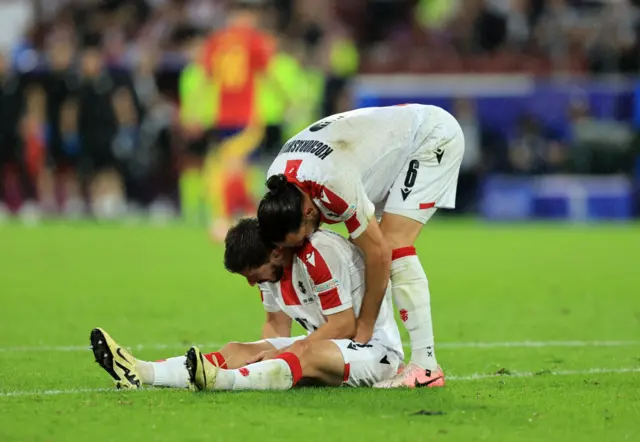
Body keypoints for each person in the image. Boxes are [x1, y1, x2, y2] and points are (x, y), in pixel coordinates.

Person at [257, 104, 464, 388]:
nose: (306, 243)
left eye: (303, 237)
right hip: (378, 155)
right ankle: (384, 352)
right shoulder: (279, 185)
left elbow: (379, 254)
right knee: (363, 248)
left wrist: (363, 329)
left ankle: (425, 368)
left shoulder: (332, 184)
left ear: (308, 212)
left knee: (393, 246)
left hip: (429, 137)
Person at [90, 218, 405, 390]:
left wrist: (282, 354)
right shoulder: (273, 269)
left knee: (301, 352)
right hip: (329, 343)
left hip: (373, 351)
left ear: (276, 254)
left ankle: (222, 382)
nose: (253, 283)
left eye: (254, 275)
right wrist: (260, 353)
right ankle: (141, 372)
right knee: (237, 349)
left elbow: (345, 326)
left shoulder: (317, 254)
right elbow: (275, 326)